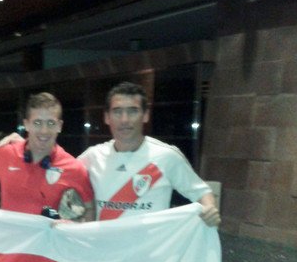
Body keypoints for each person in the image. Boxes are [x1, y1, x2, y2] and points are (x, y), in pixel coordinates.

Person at [77, 81, 220, 226]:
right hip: (104, 246)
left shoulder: (166, 156)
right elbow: (64, 178)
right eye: (117, 111)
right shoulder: (92, 157)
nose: (124, 119)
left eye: (133, 111)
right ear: (107, 117)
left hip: (151, 248)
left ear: (145, 115)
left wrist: (209, 209)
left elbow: (202, 193)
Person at [0, 92, 94, 220]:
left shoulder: (73, 168)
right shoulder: (6, 154)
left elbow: (90, 209)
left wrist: (76, 225)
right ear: (26, 124)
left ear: (59, 126)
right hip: (7, 239)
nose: (44, 130)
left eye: (51, 123)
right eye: (37, 123)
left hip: (47, 240)